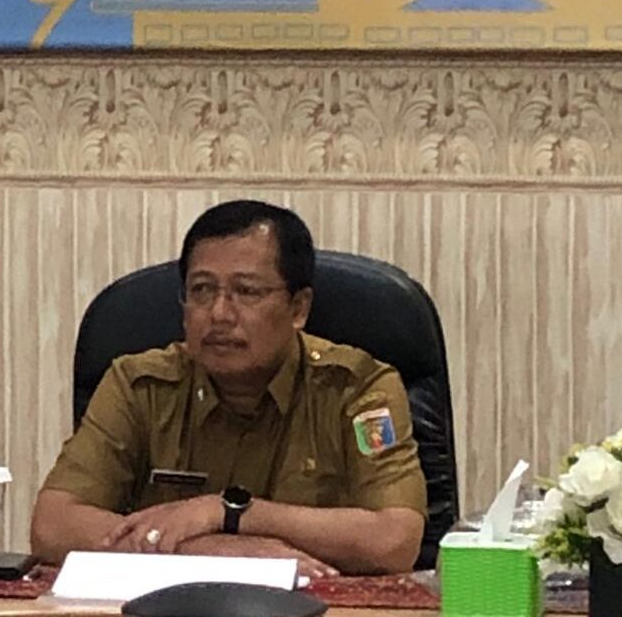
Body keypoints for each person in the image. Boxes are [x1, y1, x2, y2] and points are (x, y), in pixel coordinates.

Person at [30, 200, 426, 577]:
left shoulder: (356, 388)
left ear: (299, 308)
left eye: (247, 292)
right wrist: (204, 548)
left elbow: (394, 541)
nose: (219, 313)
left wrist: (231, 513)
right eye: (202, 290)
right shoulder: (139, 386)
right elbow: (53, 525)